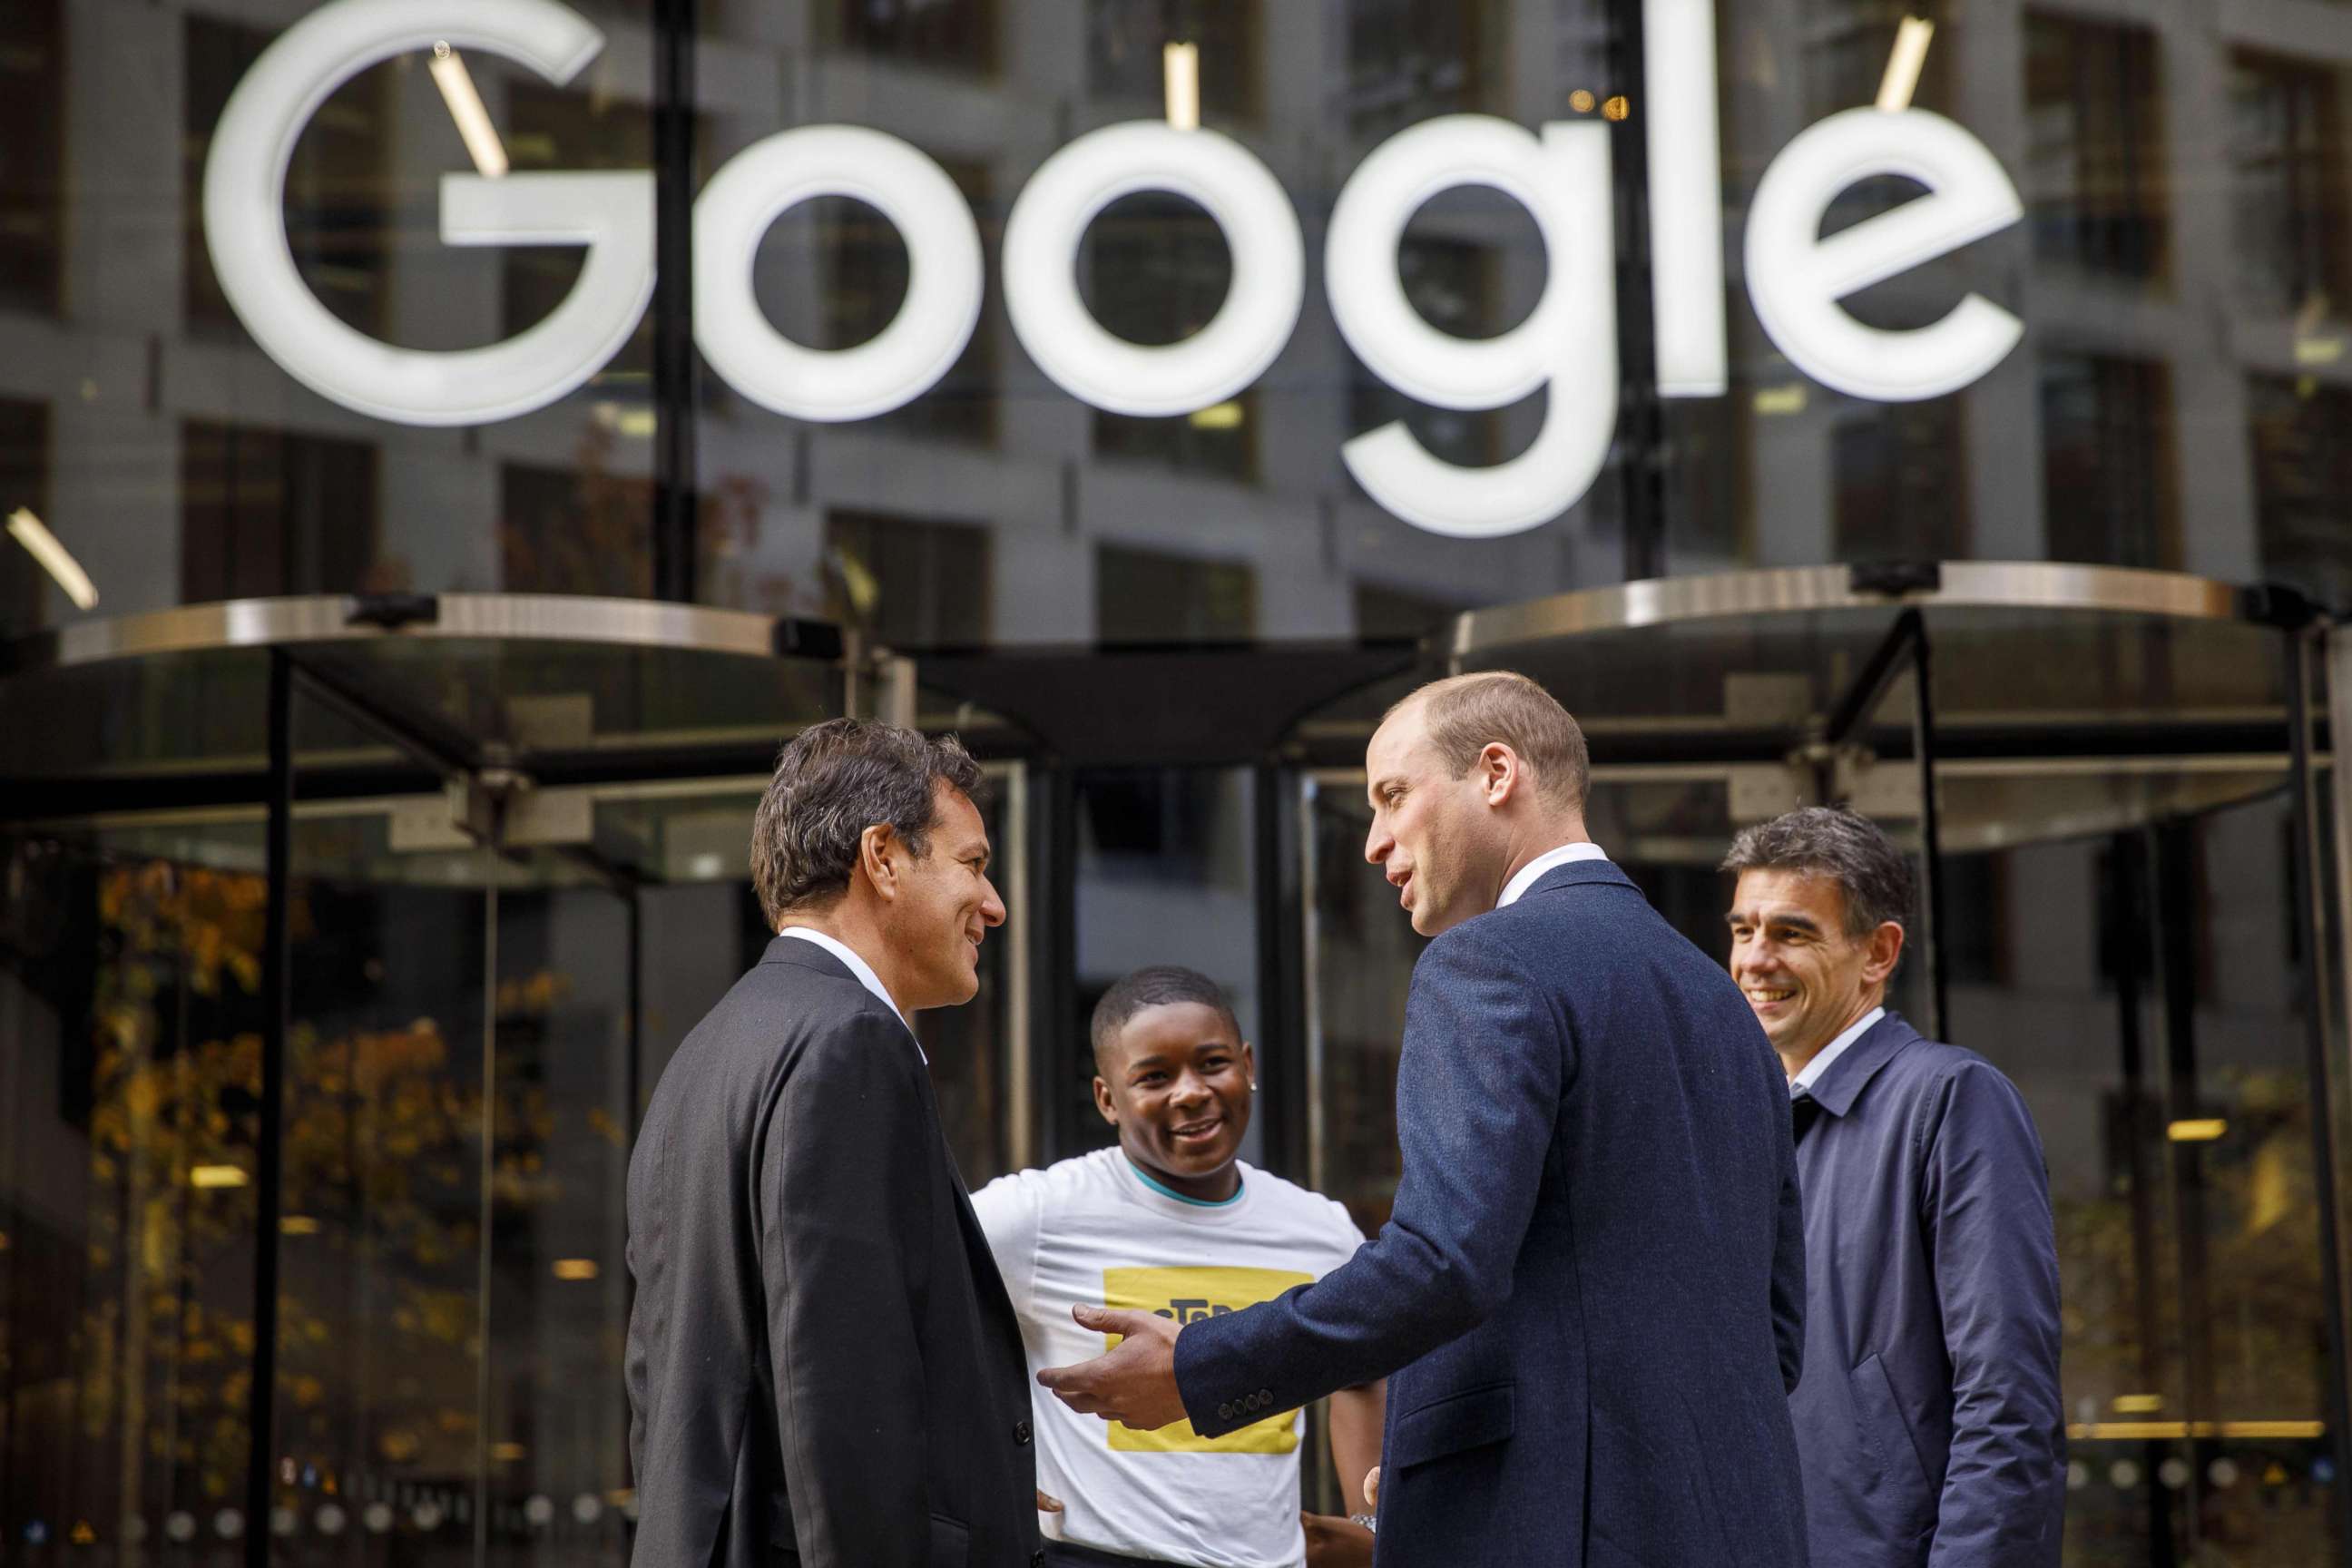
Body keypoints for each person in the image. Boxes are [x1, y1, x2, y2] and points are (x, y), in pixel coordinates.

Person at [1036, 672, 1808, 1568]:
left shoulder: (1485, 962)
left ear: (1495, 774)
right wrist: (1465, 1454)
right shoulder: (1724, 1006)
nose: (1373, 843)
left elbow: (1446, 1263)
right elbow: (1775, 1333)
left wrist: (1197, 1366)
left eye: (1392, 797)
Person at [623, 719, 1043, 1568]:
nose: (993, 905)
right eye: (973, 865)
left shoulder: (703, 1055)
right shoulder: (848, 1040)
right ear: (882, 858)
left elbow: (663, 1391)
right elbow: (838, 1392)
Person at [1722, 807, 2063, 1568]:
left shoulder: (1952, 1100)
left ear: (1878, 952)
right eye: (1743, 931)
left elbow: (2007, 1401)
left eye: (1791, 932)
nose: (1754, 960)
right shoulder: (1738, 1127)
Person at [974, 965, 1384, 1568]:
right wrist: (973, 1472)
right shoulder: (1035, 1216)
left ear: (1248, 1066)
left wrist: (1368, 1523)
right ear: (1107, 1099)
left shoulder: (1318, 1231)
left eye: (1212, 1063)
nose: (1190, 1091)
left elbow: (1363, 1368)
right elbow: (902, 1303)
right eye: (1154, 1077)